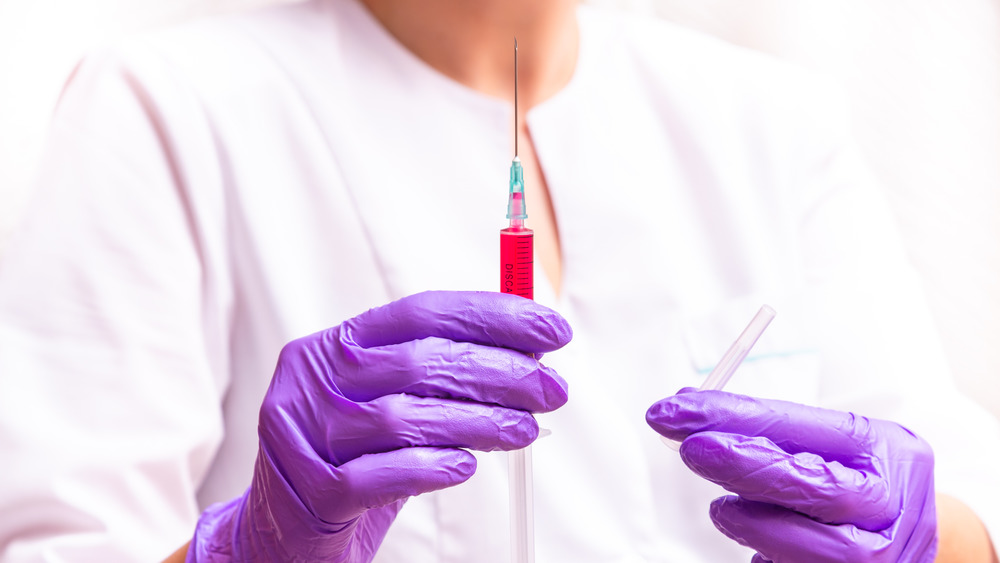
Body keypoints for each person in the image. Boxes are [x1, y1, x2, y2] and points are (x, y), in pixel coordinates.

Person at [0, 0, 997, 561]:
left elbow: (964, 502)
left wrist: (918, 536)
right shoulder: (167, 108)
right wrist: (250, 551)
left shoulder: (772, 124)